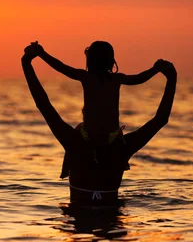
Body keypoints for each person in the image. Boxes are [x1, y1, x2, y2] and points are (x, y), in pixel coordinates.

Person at [22, 43, 176, 206]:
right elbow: (161, 118)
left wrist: (29, 61)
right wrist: (169, 75)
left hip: (80, 220)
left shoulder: (74, 144)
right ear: (112, 64)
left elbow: (44, 104)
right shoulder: (122, 149)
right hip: (112, 224)